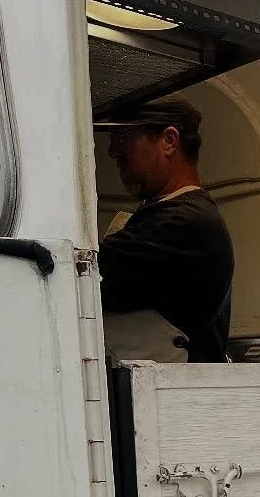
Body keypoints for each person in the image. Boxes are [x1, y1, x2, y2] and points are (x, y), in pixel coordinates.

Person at [95, 96, 234, 363]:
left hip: (170, 396)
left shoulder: (186, 222)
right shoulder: (162, 214)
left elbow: (86, 271)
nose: (112, 151)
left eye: (123, 135)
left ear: (169, 141)